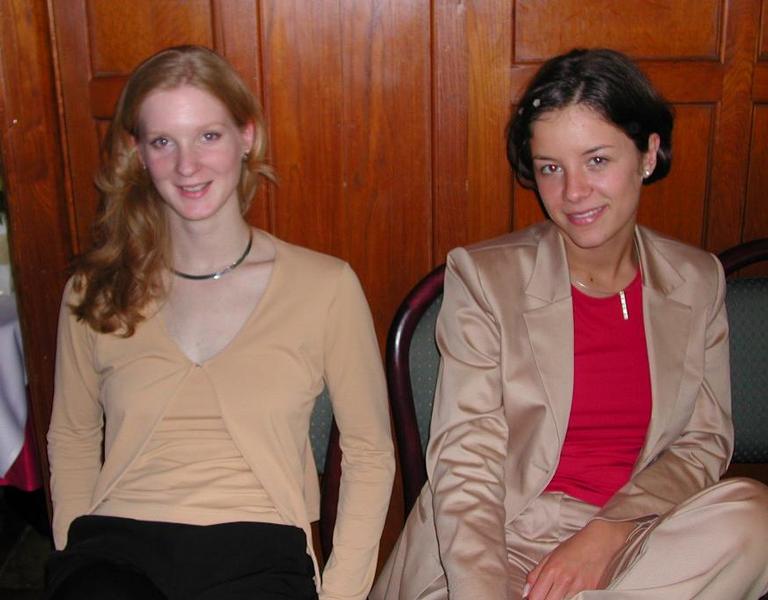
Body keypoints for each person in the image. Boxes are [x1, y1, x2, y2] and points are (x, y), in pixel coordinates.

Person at [371, 48, 768, 600]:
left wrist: (608, 532)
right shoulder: (486, 278)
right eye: (551, 168)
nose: (573, 192)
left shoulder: (697, 280)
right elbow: (466, 465)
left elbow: (703, 442)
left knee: (753, 517)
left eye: (597, 160)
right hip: (501, 540)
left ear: (648, 154)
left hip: (637, 536)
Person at [46, 45, 394, 600]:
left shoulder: (325, 287)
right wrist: (72, 551)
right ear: (138, 153)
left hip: (260, 548)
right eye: (164, 142)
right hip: (115, 547)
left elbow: (371, 452)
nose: (187, 166)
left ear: (246, 137)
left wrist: (342, 593)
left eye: (208, 135)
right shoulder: (94, 290)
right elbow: (73, 435)